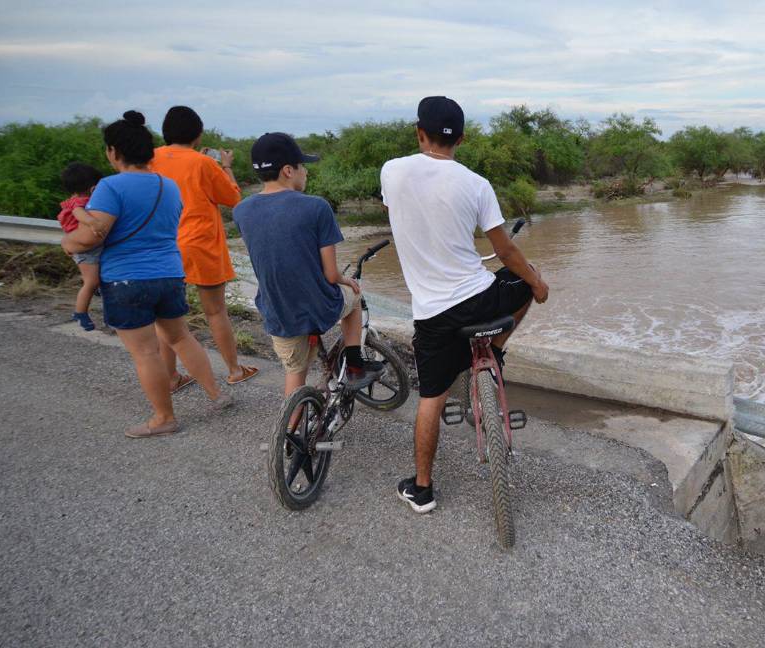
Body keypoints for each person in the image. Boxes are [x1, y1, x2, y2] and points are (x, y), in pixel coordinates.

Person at [381, 96, 549, 513]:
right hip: (479, 298)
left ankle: (422, 489)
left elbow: (408, 216)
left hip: (433, 314)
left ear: (419, 133)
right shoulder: (476, 184)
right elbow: (506, 251)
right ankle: (495, 348)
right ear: (463, 138)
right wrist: (538, 283)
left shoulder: (392, 171)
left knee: (431, 398)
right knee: (523, 280)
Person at [61, 110, 232, 438]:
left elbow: (92, 235)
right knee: (181, 336)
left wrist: (68, 242)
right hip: (169, 273)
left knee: (146, 351)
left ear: (113, 151)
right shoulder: (167, 186)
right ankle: (217, 393)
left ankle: (164, 417)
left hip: (127, 278)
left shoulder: (110, 187)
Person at [231, 132, 386, 396]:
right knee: (354, 298)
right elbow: (330, 274)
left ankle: (289, 432)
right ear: (288, 170)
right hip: (317, 307)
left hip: (276, 310)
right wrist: (346, 281)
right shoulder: (316, 207)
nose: (306, 172)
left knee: (295, 374)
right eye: (303, 167)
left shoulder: (241, 210)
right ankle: (355, 367)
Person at [151, 105, 258, 393]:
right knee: (215, 311)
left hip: (163, 245)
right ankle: (234, 370)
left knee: (167, 317)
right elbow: (234, 198)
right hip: (200, 244)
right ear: (198, 136)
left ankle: (171, 377)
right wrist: (226, 165)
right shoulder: (203, 163)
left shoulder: (151, 159)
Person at [56, 162, 104, 331]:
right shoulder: (80, 202)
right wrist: (92, 222)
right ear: (93, 187)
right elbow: (78, 213)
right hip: (87, 250)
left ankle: (98, 292)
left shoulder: (76, 199)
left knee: (97, 279)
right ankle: (80, 312)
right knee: (91, 281)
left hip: (87, 247)